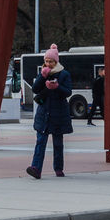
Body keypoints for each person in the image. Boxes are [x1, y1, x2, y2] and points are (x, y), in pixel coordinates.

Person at [26, 44, 73, 178]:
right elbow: (35, 89)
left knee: (58, 143)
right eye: (46, 61)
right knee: (40, 141)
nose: (48, 63)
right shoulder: (43, 72)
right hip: (44, 113)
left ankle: (58, 168)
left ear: (56, 61)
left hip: (58, 113)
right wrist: (42, 77)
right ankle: (36, 168)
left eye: (51, 61)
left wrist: (56, 87)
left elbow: (68, 92)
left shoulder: (64, 74)